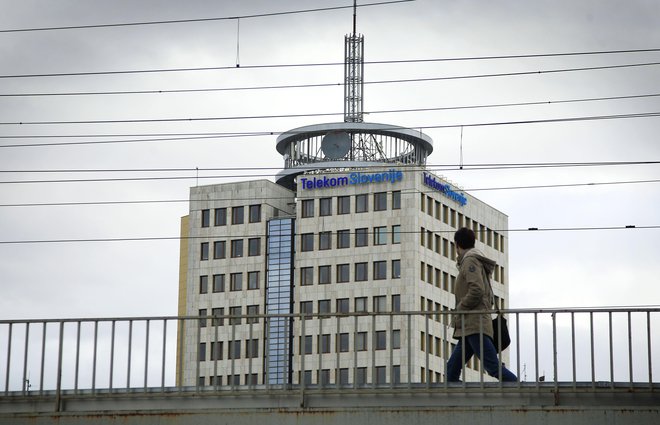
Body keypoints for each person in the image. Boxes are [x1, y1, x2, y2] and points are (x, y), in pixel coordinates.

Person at [446, 227, 517, 382]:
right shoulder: (474, 260)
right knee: (451, 370)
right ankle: (457, 405)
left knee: (493, 367)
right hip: (470, 325)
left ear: (457, 244)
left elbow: (477, 289)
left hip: (474, 324)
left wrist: (461, 307)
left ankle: (522, 390)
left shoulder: (470, 261)